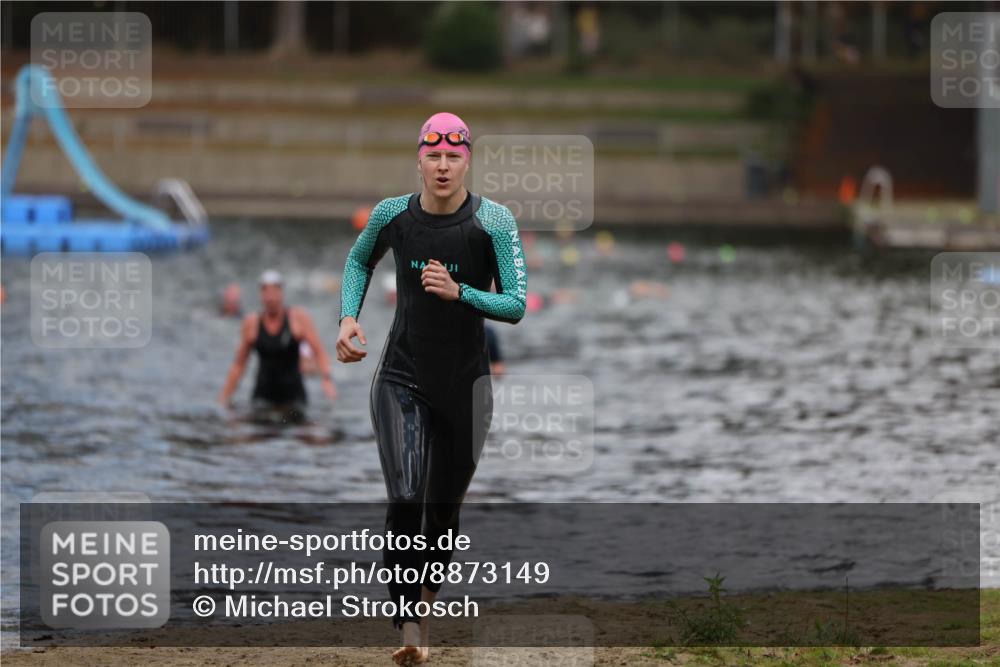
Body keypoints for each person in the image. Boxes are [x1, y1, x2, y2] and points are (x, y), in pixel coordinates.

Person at [336, 112, 527, 664]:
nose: (443, 166)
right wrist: (348, 318)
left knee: (441, 516)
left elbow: (514, 304)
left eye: (454, 156)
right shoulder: (393, 214)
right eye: (433, 156)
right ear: (418, 159)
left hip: (466, 387)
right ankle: (411, 634)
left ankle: (423, 606)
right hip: (401, 374)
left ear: (467, 160)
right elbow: (357, 261)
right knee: (405, 497)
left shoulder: (494, 221)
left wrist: (460, 291)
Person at [219, 270, 336, 416]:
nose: (271, 298)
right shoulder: (252, 323)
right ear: (261, 295)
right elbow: (239, 365)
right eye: (266, 292)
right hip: (262, 397)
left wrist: (326, 378)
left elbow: (319, 350)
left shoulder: (298, 318)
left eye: (275, 292)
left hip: (294, 398)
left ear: (281, 293)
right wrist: (224, 397)